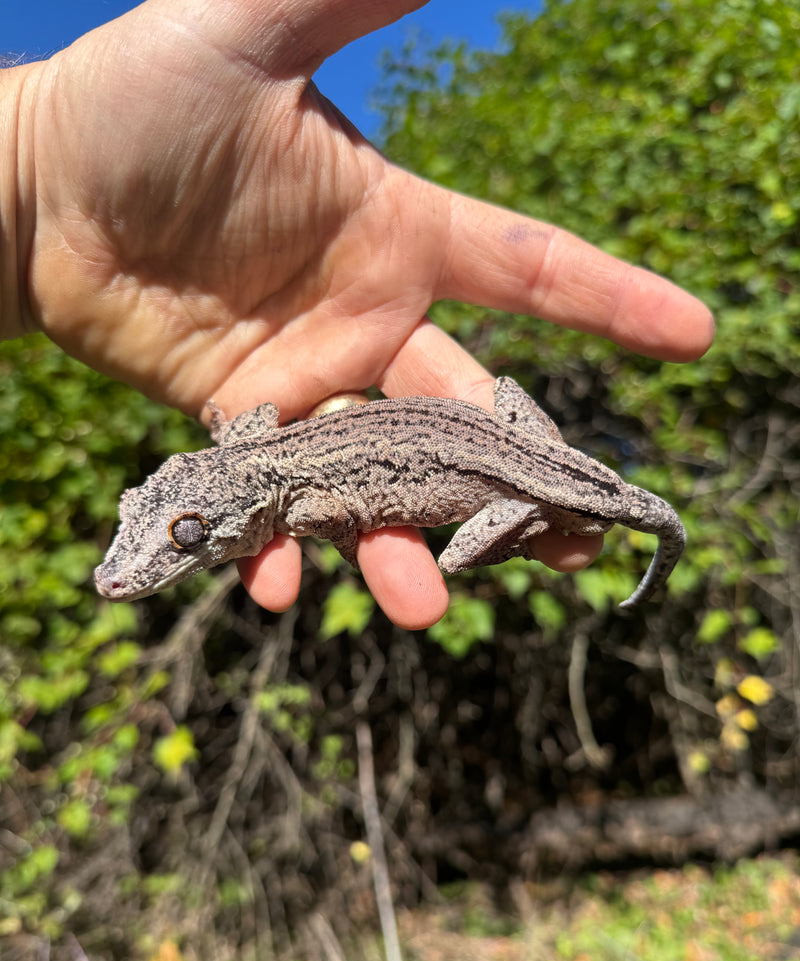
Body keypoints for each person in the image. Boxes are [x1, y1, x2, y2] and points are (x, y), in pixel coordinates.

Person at [0, 0, 714, 629]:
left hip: (508, 477)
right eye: (161, 522)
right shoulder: (248, 443)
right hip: (506, 437)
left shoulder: (297, 507)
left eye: (184, 531)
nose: (139, 561)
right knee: (498, 396)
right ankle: (555, 489)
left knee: (460, 556)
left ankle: (541, 507)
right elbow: (256, 419)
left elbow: (339, 516)